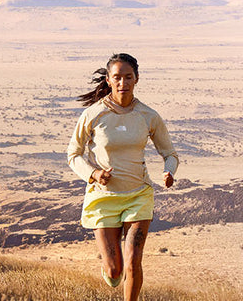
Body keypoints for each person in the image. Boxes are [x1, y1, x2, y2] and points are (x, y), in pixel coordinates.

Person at [66, 53, 178, 300]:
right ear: (108, 80)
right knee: (115, 271)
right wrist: (94, 173)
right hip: (103, 198)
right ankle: (110, 269)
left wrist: (169, 171)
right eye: (117, 77)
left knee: (133, 260)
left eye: (128, 77)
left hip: (138, 195)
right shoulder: (93, 114)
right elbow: (73, 154)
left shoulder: (148, 116)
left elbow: (169, 153)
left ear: (137, 79)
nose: (123, 82)